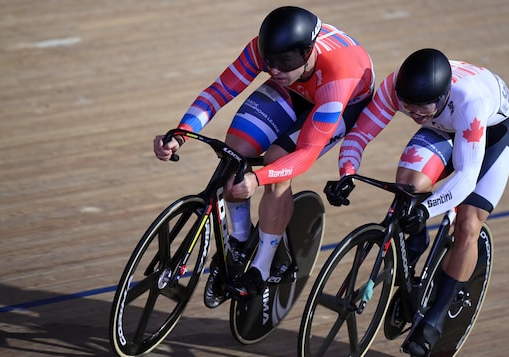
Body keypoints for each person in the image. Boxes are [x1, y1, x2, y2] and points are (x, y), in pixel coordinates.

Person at [153, 6, 375, 306]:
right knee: (235, 152)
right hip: (296, 89)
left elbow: (307, 153)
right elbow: (219, 91)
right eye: (269, 63)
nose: (274, 71)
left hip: (342, 102)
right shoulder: (267, 53)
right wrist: (181, 133)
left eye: (284, 62)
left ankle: (261, 267)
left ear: (308, 52)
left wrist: (257, 179)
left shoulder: (339, 73)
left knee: (276, 159)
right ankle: (239, 242)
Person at [327, 48, 509, 356]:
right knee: (407, 188)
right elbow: (359, 135)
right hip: (443, 127)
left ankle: (436, 317)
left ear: (443, 96)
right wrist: (347, 174)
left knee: (469, 224)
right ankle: (414, 246)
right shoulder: (395, 88)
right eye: (408, 106)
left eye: (422, 107)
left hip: (493, 132)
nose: (414, 113)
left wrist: (427, 209)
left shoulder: (469, 100)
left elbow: (467, 176)